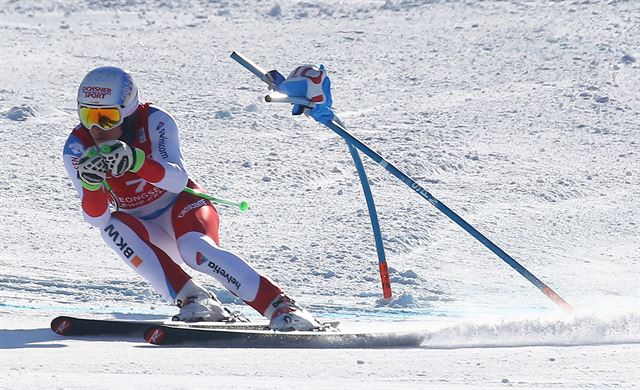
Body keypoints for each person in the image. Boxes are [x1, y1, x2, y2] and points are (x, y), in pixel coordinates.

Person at [62, 66, 321, 331]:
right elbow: (96, 218)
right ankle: (195, 300)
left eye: (107, 118)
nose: (96, 128)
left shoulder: (155, 121)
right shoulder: (76, 146)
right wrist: (90, 184)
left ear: (127, 113)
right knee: (111, 228)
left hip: (182, 208)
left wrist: (137, 160)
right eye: (88, 115)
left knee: (194, 250)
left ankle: (281, 305)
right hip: (144, 229)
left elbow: (177, 179)